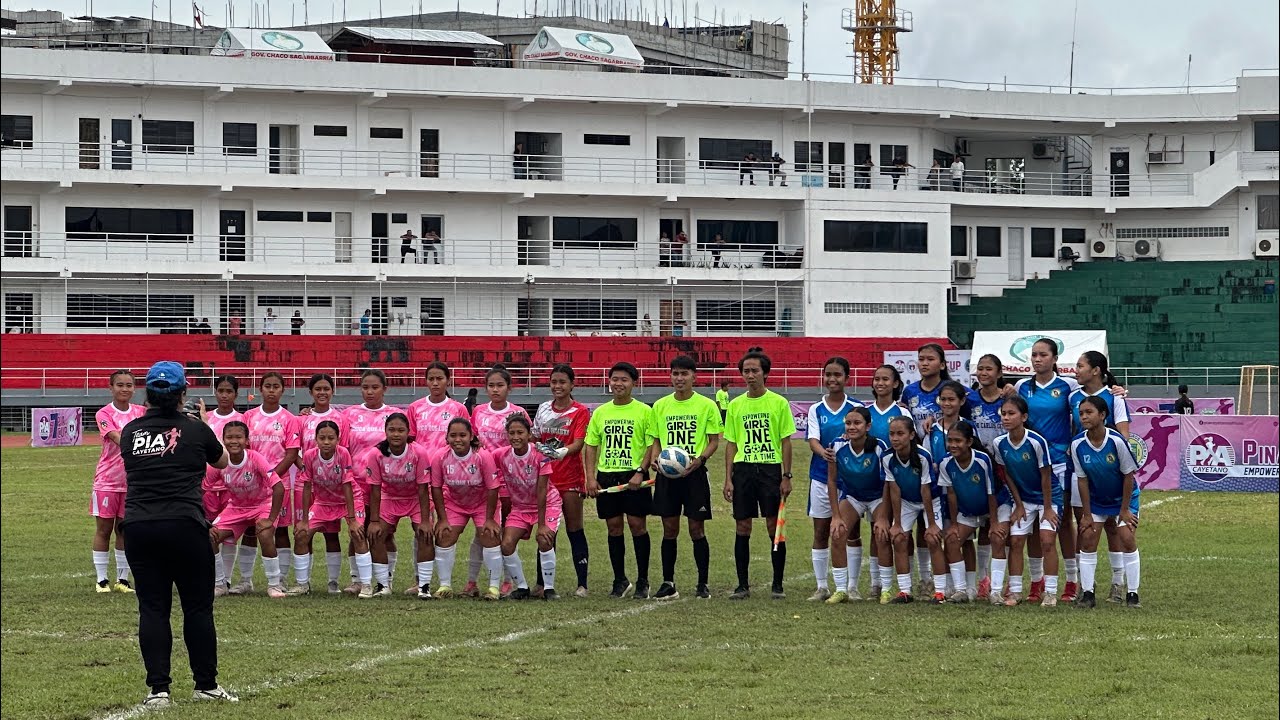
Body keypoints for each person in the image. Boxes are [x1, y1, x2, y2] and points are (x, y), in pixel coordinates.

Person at [118, 361, 234, 707]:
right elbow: (223, 461)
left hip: (139, 527)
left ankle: (158, 690)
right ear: (183, 393)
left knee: (152, 609)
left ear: (148, 395)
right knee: (197, 609)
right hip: (185, 525)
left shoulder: (131, 432)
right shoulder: (197, 429)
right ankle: (206, 684)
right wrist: (205, 425)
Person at [723, 347, 795, 600]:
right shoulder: (735, 405)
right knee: (742, 526)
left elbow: (786, 441)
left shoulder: (779, 403)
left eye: (755, 371)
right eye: (746, 371)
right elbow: (731, 443)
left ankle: (777, 584)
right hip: (743, 470)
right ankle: (742, 585)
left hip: (769, 469)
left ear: (765, 373)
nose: (750, 375)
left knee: (773, 525)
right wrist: (728, 478)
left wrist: (787, 476)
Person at [647, 355, 722, 600]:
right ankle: (668, 583)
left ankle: (703, 584)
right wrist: (656, 460)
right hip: (668, 476)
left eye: (684, 374)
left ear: (694, 376)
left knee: (696, 528)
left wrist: (699, 460)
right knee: (669, 529)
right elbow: (656, 440)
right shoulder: (660, 406)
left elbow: (714, 441)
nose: (679, 378)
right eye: (675, 374)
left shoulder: (706, 405)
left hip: (694, 474)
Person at [584, 361, 656, 599]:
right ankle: (620, 580)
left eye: (624, 379)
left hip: (634, 475)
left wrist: (640, 471)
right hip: (607, 476)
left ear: (634, 383)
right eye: (615, 379)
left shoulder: (645, 411)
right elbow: (591, 446)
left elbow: (650, 445)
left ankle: (643, 580)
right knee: (613, 528)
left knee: (637, 526)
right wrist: (591, 478)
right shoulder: (601, 412)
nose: (618, 383)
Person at [1071, 396, 1142, 608]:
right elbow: (1082, 481)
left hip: (1124, 498)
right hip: (1097, 500)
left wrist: (1124, 510)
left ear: (1102, 415)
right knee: (1088, 539)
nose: (1083, 416)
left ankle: (1132, 594)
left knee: (1126, 537)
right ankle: (1088, 594)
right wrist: (1086, 514)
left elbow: (1128, 475)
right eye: (1081, 412)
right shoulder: (1077, 444)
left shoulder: (1116, 441)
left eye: (1089, 412)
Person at [467, 365, 530, 596]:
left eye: (500, 385)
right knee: (481, 531)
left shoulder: (519, 413)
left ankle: (506, 580)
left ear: (509, 388)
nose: (495, 390)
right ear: (485, 388)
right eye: (491, 385)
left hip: (509, 479)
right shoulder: (479, 412)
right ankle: (471, 582)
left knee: (503, 531)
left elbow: (524, 443)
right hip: (481, 479)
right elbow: (473, 442)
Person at [804, 357, 863, 602]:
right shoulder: (816, 409)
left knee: (851, 532)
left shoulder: (857, 407)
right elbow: (812, 440)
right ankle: (821, 587)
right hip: (821, 476)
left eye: (837, 375)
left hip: (850, 480)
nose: (832, 379)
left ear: (846, 378)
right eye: (828, 374)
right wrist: (825, 453)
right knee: (821, 531)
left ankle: (852, 586)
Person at [990, 396, 1058, 606]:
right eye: (1004, 414)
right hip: (1025, 500)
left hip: (1049, 497)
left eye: (1012, 413)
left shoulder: (1037, 442)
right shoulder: (999, 443)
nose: (1006, 418)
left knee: (1047, 541)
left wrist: (1047, 509)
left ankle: (1051, 592)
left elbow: (1046, 475)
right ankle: (1016, 591)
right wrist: (1018, 505)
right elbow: (1007, 474)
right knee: (1016, 541)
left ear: (1024, 417)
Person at [531, 364, 592, 598]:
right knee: (547, 531)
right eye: (554, 382)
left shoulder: (579, 411)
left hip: (570, 478)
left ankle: (582, 584)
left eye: (562, 382)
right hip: (547, 479)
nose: (557, 386)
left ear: (572, 384)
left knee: (574, 528)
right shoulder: (543, 408)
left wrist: (561, 452)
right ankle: (542, 584)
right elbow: (535, 436)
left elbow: (578, 444)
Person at [208, 422, 287, 598]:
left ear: (247, 441)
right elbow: (202, 488)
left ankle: (274, 585)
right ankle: (220, 584)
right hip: (236, 507)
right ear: (223, 440)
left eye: (238, 437)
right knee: (210, 537)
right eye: (229, 437)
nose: (233, 441)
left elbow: (278, 487)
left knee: (265, 534)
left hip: (262, 505)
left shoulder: (255, 458)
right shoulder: (219, 462)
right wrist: (206, 522)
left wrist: (270, 518)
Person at [341, 369, 403, 592]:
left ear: (385, 389)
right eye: (365, 387)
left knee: (384, 533)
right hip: (356, 483)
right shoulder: (349, 414)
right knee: (356, 530)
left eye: (375, 387)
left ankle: (387, 578)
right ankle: (357, 579)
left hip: (385, 485)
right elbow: (343, 447)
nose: (370, 391)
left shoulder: (394, 415)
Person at [240, 372, 302, 594]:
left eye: (276, 386)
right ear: (260, 389)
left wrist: (272, 476)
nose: (272, 390)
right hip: (252, 485)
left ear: (283, 390)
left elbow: (292, 453)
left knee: (281, 531)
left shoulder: (289, 419)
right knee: (249, 530)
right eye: (267, 386)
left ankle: (281, 579)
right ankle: (246, 580)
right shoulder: (248, 417)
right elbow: (243, 447)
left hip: (279, 485)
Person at [293, 421, 370, 596]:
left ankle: (365, 585)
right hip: (323, 502)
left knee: (357, 533)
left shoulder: (343, 454)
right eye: (322, 438)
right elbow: (307, 486)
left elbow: (347, 486)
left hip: (348, 500)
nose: (326, 442)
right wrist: (304, 520)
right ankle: (302, 584)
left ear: (338, 439)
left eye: (331, 438)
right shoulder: (309, 456)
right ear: (316, 439)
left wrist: (352, 520)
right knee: (301, 534)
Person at [363, 413, 434, 598]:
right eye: (391, 430)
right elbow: (376, 490)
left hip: (415, 499)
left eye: (401, 430)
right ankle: (383, 585)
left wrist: (425, 521)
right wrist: (374, 520)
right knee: (376, 534)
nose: (396, 434)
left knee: (424, 533)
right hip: (390, 497)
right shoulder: (376, 454)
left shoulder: (419, 453)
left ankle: (424, 586)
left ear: (408, 432)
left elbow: (423, 489)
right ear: (385, 431)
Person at [431, 418, 503, 600]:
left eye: (462, 435)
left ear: (471, 436)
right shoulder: (440, 457)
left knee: (489, 534)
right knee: (444, 534)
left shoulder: (482, 456)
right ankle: (445, 586)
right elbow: (436, 488)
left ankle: (494, 588)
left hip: (482, 504)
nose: (458, 439)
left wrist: (489, 519)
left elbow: (493, 488)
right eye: (453, 435)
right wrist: (442, 519)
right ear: (446, 437)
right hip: (455, 504)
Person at [824, 407, 891, 603]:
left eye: (857, 423)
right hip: (853, 496)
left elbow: (888, 481)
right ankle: (841, 589)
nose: (852, 427)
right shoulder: (836, 446)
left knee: (881, 533)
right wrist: (835, 516)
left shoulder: (879, 446)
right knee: (837, 532)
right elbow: (831, 481)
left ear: (868, 426)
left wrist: (885, 516)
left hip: (878, 496)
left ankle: (885, 589)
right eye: (849, 423)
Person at [295, 375, 353, 594]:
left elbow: (343, 451)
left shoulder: (341, 419)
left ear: (332, 391)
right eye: (317, 389)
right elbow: (295, 449)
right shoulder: (301, 420)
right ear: (310, 392)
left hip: (333, 486)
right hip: (307, 483)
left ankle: (333, 582)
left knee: (331, 533)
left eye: (326, 388)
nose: (322, 392)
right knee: (303, 530)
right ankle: (304, 582)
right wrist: (306, 469)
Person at [91, 370, 147, 593]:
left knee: (125, 530)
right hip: (107, 481)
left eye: (129, 385)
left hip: (133, 482)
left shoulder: (141, 412)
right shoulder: (104, 413)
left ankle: (123, 579)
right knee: (104, 530)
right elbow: (117, 437)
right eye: (120, 385)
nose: (124, 389)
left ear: (135, 388)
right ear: (111, 388)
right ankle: (102, 579)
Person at [493, 415, 558, 600]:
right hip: (520, 507)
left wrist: (543, 523)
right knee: (506, 544)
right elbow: (483, 459)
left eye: (520, 432)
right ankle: (522, 587)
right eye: (511, 433)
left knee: (544, 539)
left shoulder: (541, 455)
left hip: (547, 503)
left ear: (529, 434)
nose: (516, 437)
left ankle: (549, 588)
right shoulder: (501, 455)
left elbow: (542, 490)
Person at [938, 422, 1000, 603]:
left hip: (992, 507)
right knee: (952, 540)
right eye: (950, 440)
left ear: (969, 442)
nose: (953, 445)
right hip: (968, 511)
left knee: (998, 537)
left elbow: (991, 492)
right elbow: (951, 494)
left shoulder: (982, 460)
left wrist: (994, 522)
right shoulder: (945, 463)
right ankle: (963, 590)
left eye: (958, 440)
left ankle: (996, 591)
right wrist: (955, 524)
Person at [203, 375, 253, 592]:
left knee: (229, 533)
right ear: (215, 392)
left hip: (232, 486)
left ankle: (228, 579)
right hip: (208, 485)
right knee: (209, 533)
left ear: (236, 394)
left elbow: (249, 451)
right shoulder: (207, 418)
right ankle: (215, 579)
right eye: (221, 391)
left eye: (229, 391)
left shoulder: (244, 419)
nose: (224, 395)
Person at [883, 416, 940, 604]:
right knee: (898, 538)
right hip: (907, 501)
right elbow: (894, 489)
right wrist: (897, 523)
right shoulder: (887, 457)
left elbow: (926, 490)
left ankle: (938, 590)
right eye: (892, 434)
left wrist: (931, 524)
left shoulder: (923, 456)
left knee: (932, 538)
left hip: (931, 500)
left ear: (912, 435)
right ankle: (904, 591)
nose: (895, 438)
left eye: (900, 433)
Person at [868, 364, 908, 445]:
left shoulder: (903, 412)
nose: (880, 383)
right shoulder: (865, 411)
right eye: (877, 379)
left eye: (885, 379)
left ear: (895, 384)